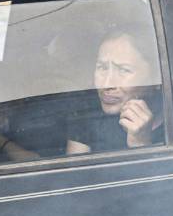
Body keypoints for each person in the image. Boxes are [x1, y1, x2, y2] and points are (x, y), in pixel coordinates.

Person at [66, 26, 164, 155]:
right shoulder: (89, 113)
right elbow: (76, 166)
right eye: (102, 67)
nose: (107, 84)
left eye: (124, 70)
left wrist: (140, 144)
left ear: (157, 78)